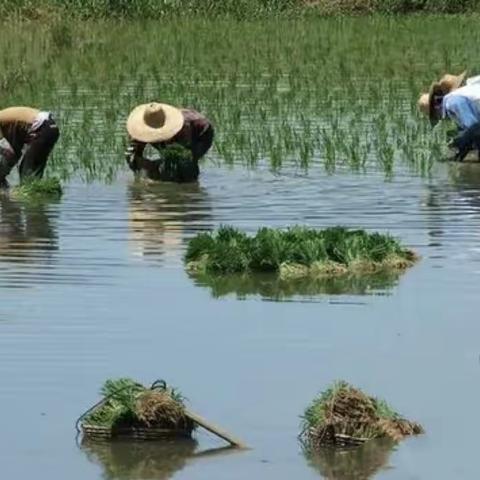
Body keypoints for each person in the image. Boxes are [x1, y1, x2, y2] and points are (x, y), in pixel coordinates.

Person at [125, 102, 214, 183]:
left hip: (200, 135)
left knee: (182, 164)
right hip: (176, 135)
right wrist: (139, 165)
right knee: (133, 156)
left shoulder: (183, 128)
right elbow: (133, 151)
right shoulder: (140, 127)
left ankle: (188, 185)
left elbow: (184, 154)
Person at [418, 71, 480, 161]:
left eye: (435, 115)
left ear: (436, 107)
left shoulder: (452, 102)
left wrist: (460, 145)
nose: (440, 119)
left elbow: (473, 127)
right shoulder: (459, 97)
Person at [0, 107, 60, 189]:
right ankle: (35, 196)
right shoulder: (11, 124)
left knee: (27, 175)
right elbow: (14, 151)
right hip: (51, 128)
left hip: (42, 128)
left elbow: (9, 152)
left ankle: (29, 197)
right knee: (33, 173)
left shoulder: (4, 121)